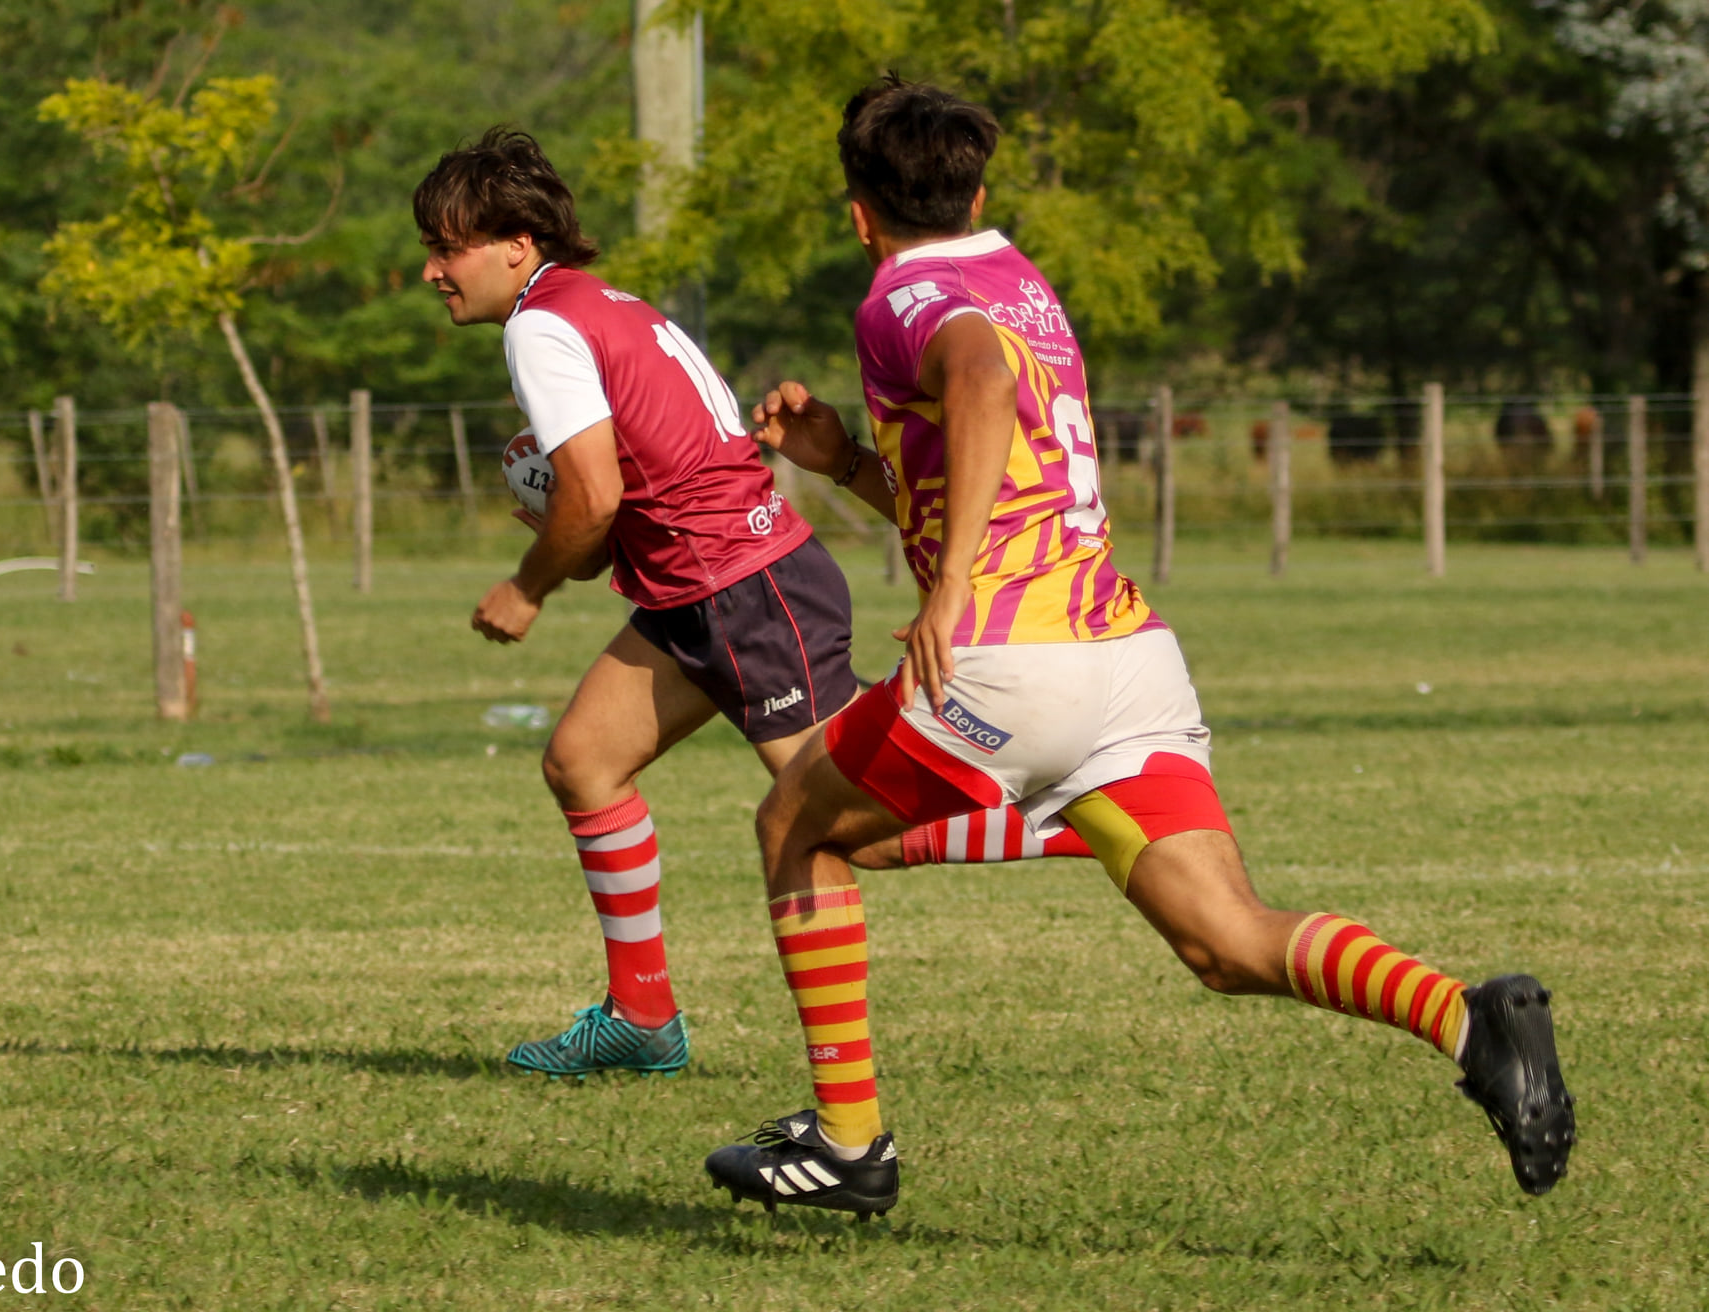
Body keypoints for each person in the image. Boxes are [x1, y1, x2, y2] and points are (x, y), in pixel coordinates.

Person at [701, 77, 1576, 1218]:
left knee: (795, 825)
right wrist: (850, 465)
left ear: (859, 212)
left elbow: (975, 379)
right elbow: (997, 462)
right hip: (1124, 657)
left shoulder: (903, 293)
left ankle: (849, 1143)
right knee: (1226, 941)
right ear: (978, 193)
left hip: (1012, 667)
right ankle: (1470, 1020)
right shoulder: (1022, 284)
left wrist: (952, 588)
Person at [411, 129, 1078, 1079]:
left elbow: (594, 498)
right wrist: (578, 526)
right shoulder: (600, 303)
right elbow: (627, 490)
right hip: (708, 587)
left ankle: (1084, 819)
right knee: (583, 762)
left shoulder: (540, 326)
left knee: (854, 829)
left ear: (517, 245)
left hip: (746, 591)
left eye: (448, 248)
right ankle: (642, 1019)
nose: (433, 271)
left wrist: (528, 586)